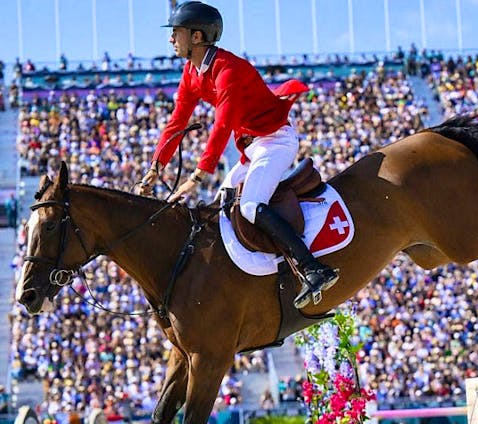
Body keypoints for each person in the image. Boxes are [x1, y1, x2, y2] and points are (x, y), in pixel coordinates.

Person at [138, 1, 338, 309]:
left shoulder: (227, 70)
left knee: (249, 205)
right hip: (253, 147)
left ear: (196, 37)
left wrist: (197, 176)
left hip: (276, 141)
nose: (170, 39)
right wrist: (155, 167)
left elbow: (221, 127)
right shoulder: (191, 73)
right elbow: (177, 121)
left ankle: (313, 268)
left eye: (176, 32)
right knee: (222, 206)